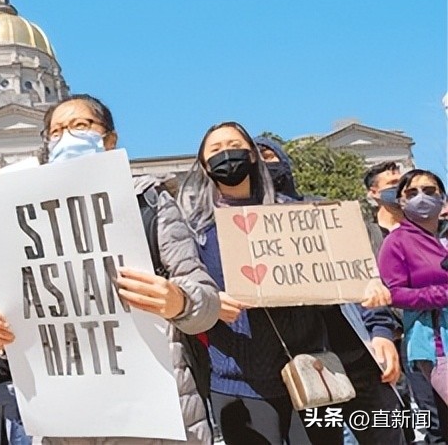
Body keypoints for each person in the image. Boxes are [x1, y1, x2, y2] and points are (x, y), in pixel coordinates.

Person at [0, 93, 221, 444]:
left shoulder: (148, 202)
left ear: (109, 140)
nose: (67, 137)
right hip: (68, 420)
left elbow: (206, 302)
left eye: (80, 126)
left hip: (152, 415)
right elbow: (19, 312)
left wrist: (179, 301)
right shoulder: (26, 222)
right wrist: (1, 339)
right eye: (57, 132)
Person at [177, 121, 344, 445]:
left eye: (234, 145)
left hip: (311, 370)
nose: (226, 154)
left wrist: (364, 289)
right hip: (237, 381)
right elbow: (184, 291)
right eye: (215, 150)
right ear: (203, 165)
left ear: (253, 156)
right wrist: (211, 303)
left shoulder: (298, 216)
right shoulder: (193, 232)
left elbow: (335, 281)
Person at [254, 137, 406, 445]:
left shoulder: (325, 210)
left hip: (362, 360)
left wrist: (381, 331)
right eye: (254, 160)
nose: (264, 166)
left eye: (269, 156)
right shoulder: (247, 230)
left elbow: (364, 277)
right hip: (306, 373)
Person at [378, 168, 448, 442]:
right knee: (439, 428)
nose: (422, 198)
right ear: (402, 201)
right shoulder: (397, 242)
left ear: (442, 198)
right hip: (433, 346)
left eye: (430, 191)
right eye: (412, 192)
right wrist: (440, 295)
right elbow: (392, 293)